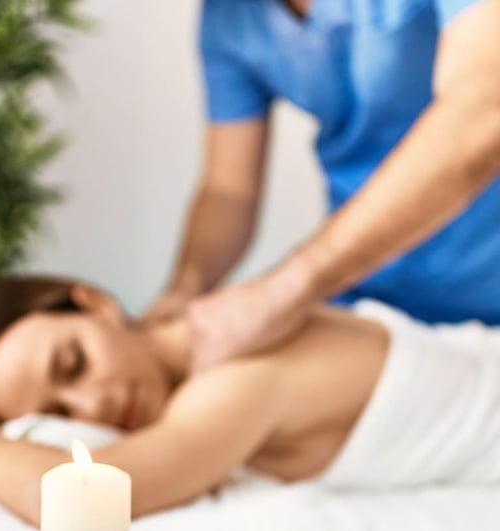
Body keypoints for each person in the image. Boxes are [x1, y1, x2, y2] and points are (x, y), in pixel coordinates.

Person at [0, 275, 500, 527]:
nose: (93, 407)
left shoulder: (235, 379)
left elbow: (83, 497)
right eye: (60, 415)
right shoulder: (211, 327)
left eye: (74, 363)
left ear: (96, 304)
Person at [144, 0, 500, 372]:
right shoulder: (227, 19)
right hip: (369, 296)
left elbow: (482, 112)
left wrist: (287, 290)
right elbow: (228, 191)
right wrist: (186, 288)